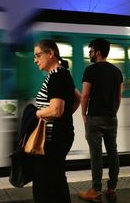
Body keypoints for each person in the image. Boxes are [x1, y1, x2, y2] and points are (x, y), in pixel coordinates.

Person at [32, 39, 81, 203]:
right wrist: (66, 115)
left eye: (38, 55)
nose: (35, 60)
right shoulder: (63, 74)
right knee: (56, 179)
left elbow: (55, 110)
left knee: (45, 183)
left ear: (51, 53)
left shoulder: (56, 76)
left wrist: (36, 113)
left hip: (53, 140)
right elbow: (78, 99)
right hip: (60, 135)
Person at [77, 38, 123, 202]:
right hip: (111, 118)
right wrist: (113, 113)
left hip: (94, 118)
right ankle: (112, 188)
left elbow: (85, 95)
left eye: (90, 51)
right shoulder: (117, 72)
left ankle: (96, 190)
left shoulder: (91, 70)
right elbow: (118, 97)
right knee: (113, 153)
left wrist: (84, 114)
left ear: (97, 52)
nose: (89, 54)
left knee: (96, 155)